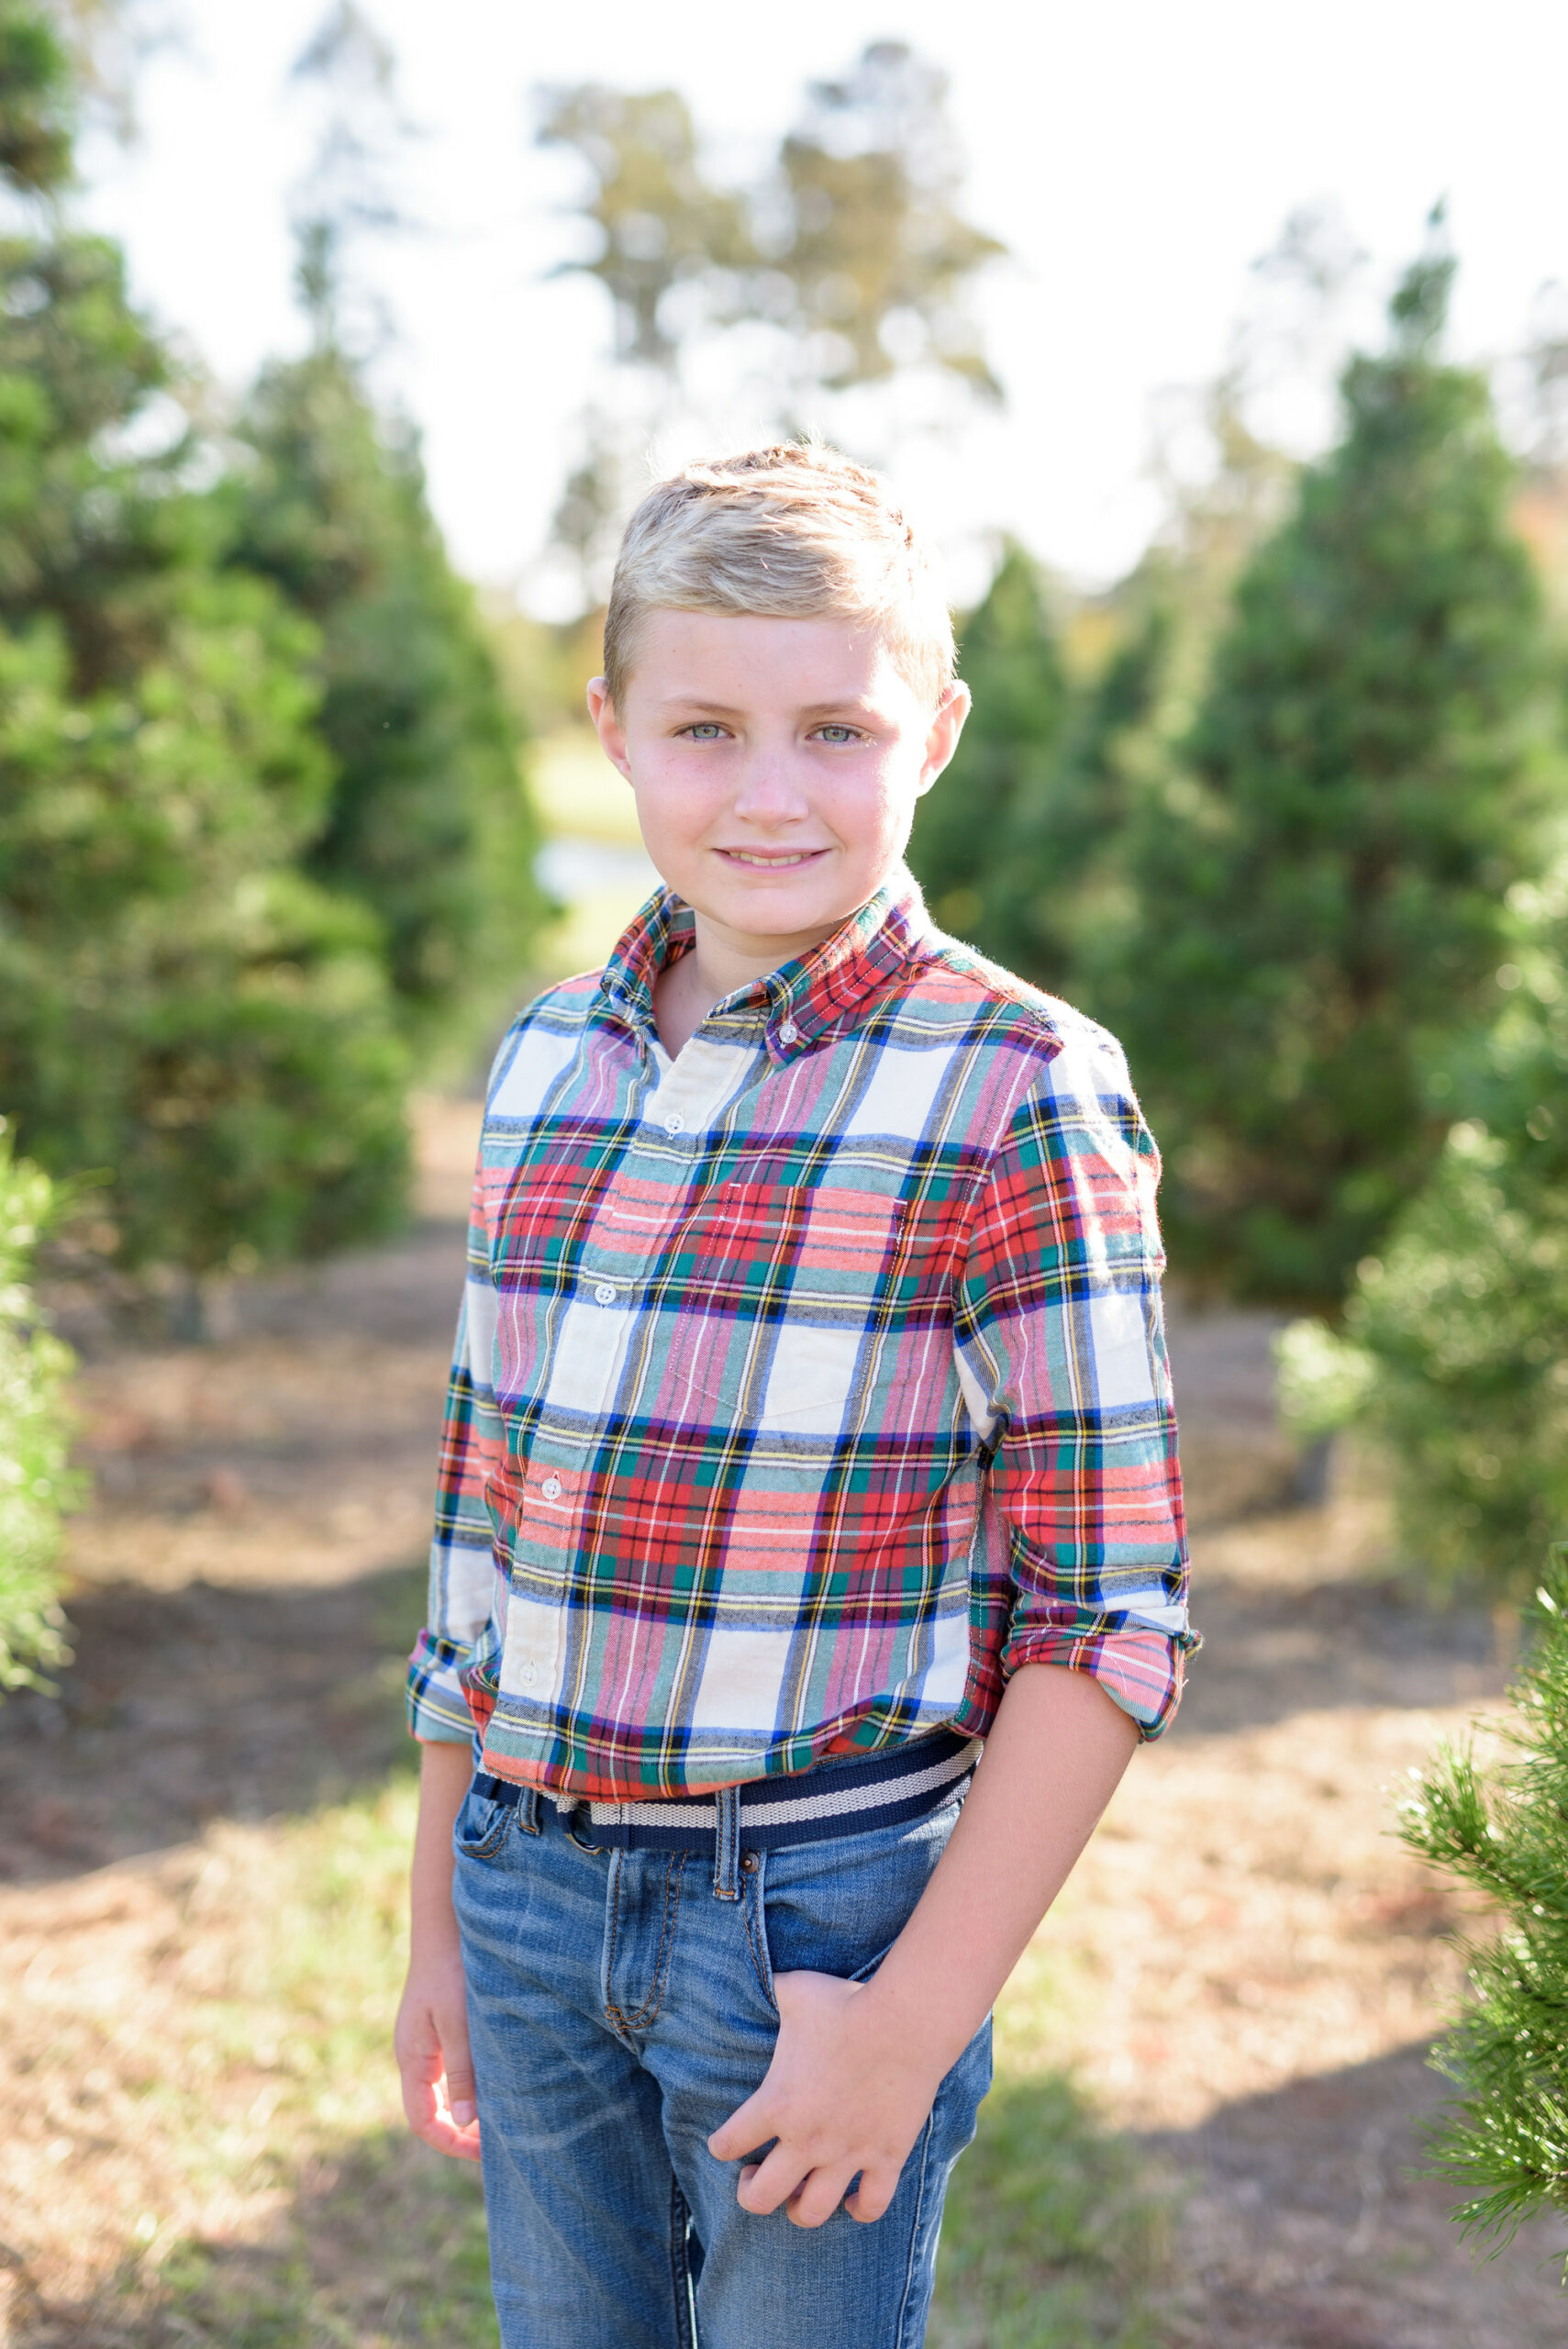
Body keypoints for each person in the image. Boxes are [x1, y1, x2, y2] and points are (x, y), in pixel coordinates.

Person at [394, 441, 1195, 2349]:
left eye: (836, 726)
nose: (769, 793)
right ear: (610, 728)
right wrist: (441, 1913)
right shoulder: (547, 1062)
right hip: (524, 1892)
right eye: (702, 726)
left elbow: (1109, 1611)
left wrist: (906, 2029)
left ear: (937, 730)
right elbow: (479, 1530)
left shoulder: (1016, 1087)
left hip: (815, 1932)